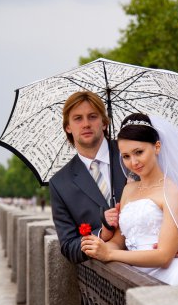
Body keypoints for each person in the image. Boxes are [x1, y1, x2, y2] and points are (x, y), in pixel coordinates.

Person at [81, 113, 178, 285]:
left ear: (156, 147)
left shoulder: (172, 192)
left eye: (139, 152)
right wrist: (99, 246)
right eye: (126, 156)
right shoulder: (128, 189)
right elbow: (119, 241)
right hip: (135, 276)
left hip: (171, 278)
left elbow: (164, 256)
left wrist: (109, 254)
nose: (133, 162)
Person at [49, 91, 126, 263]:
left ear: (104, 123)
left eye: (92, 116)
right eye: (78, 118)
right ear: (68, 127)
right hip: (111, 280)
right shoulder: (60, 184)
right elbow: (69, 246)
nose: (86, 124)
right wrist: (101, 233)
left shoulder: (131, 154)